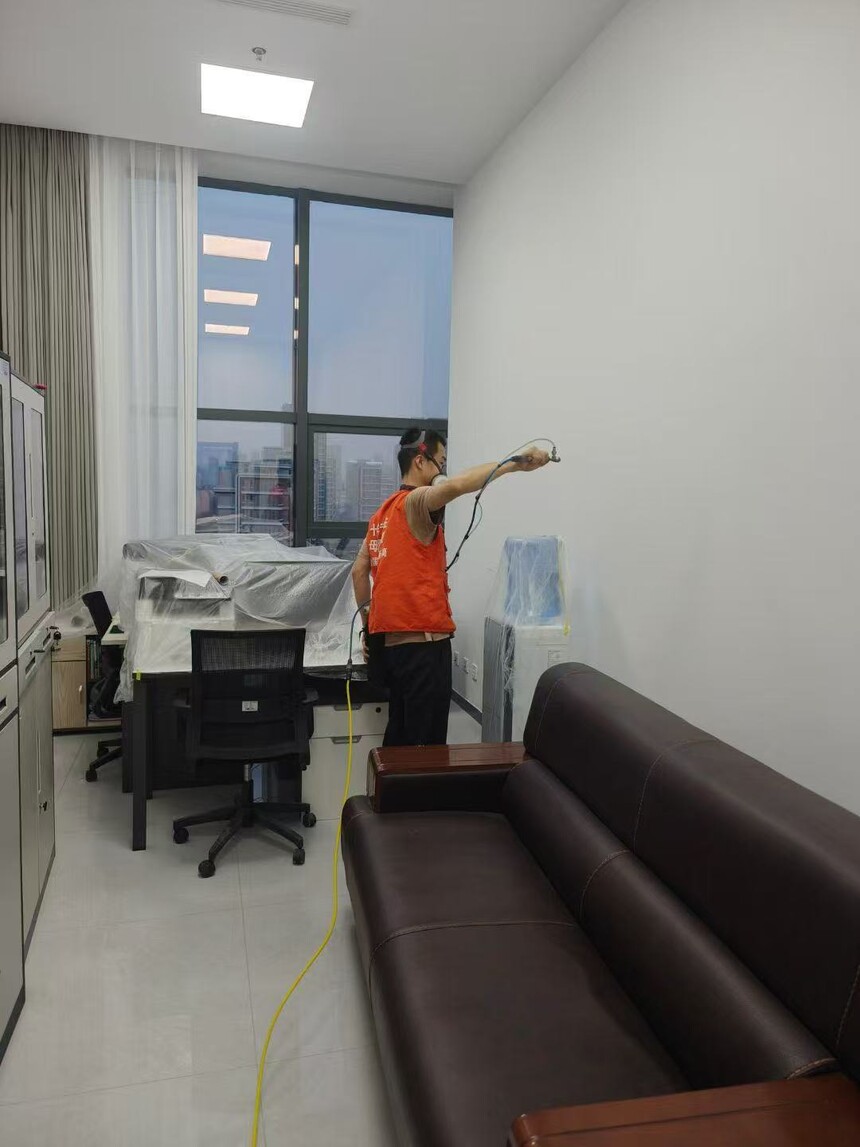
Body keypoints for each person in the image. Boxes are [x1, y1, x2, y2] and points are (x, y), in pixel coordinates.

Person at [351, 428, 551, 747]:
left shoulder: (381, 516)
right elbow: (456, 486)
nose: (441, 471)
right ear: (420, 461)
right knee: (425, 750)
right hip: (424, 652)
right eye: (440, 462)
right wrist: (514, 464)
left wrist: (368, 629)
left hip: (391, 651)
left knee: (399, 739)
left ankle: (390, 782)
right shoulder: (416, 502)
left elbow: (359, 573)